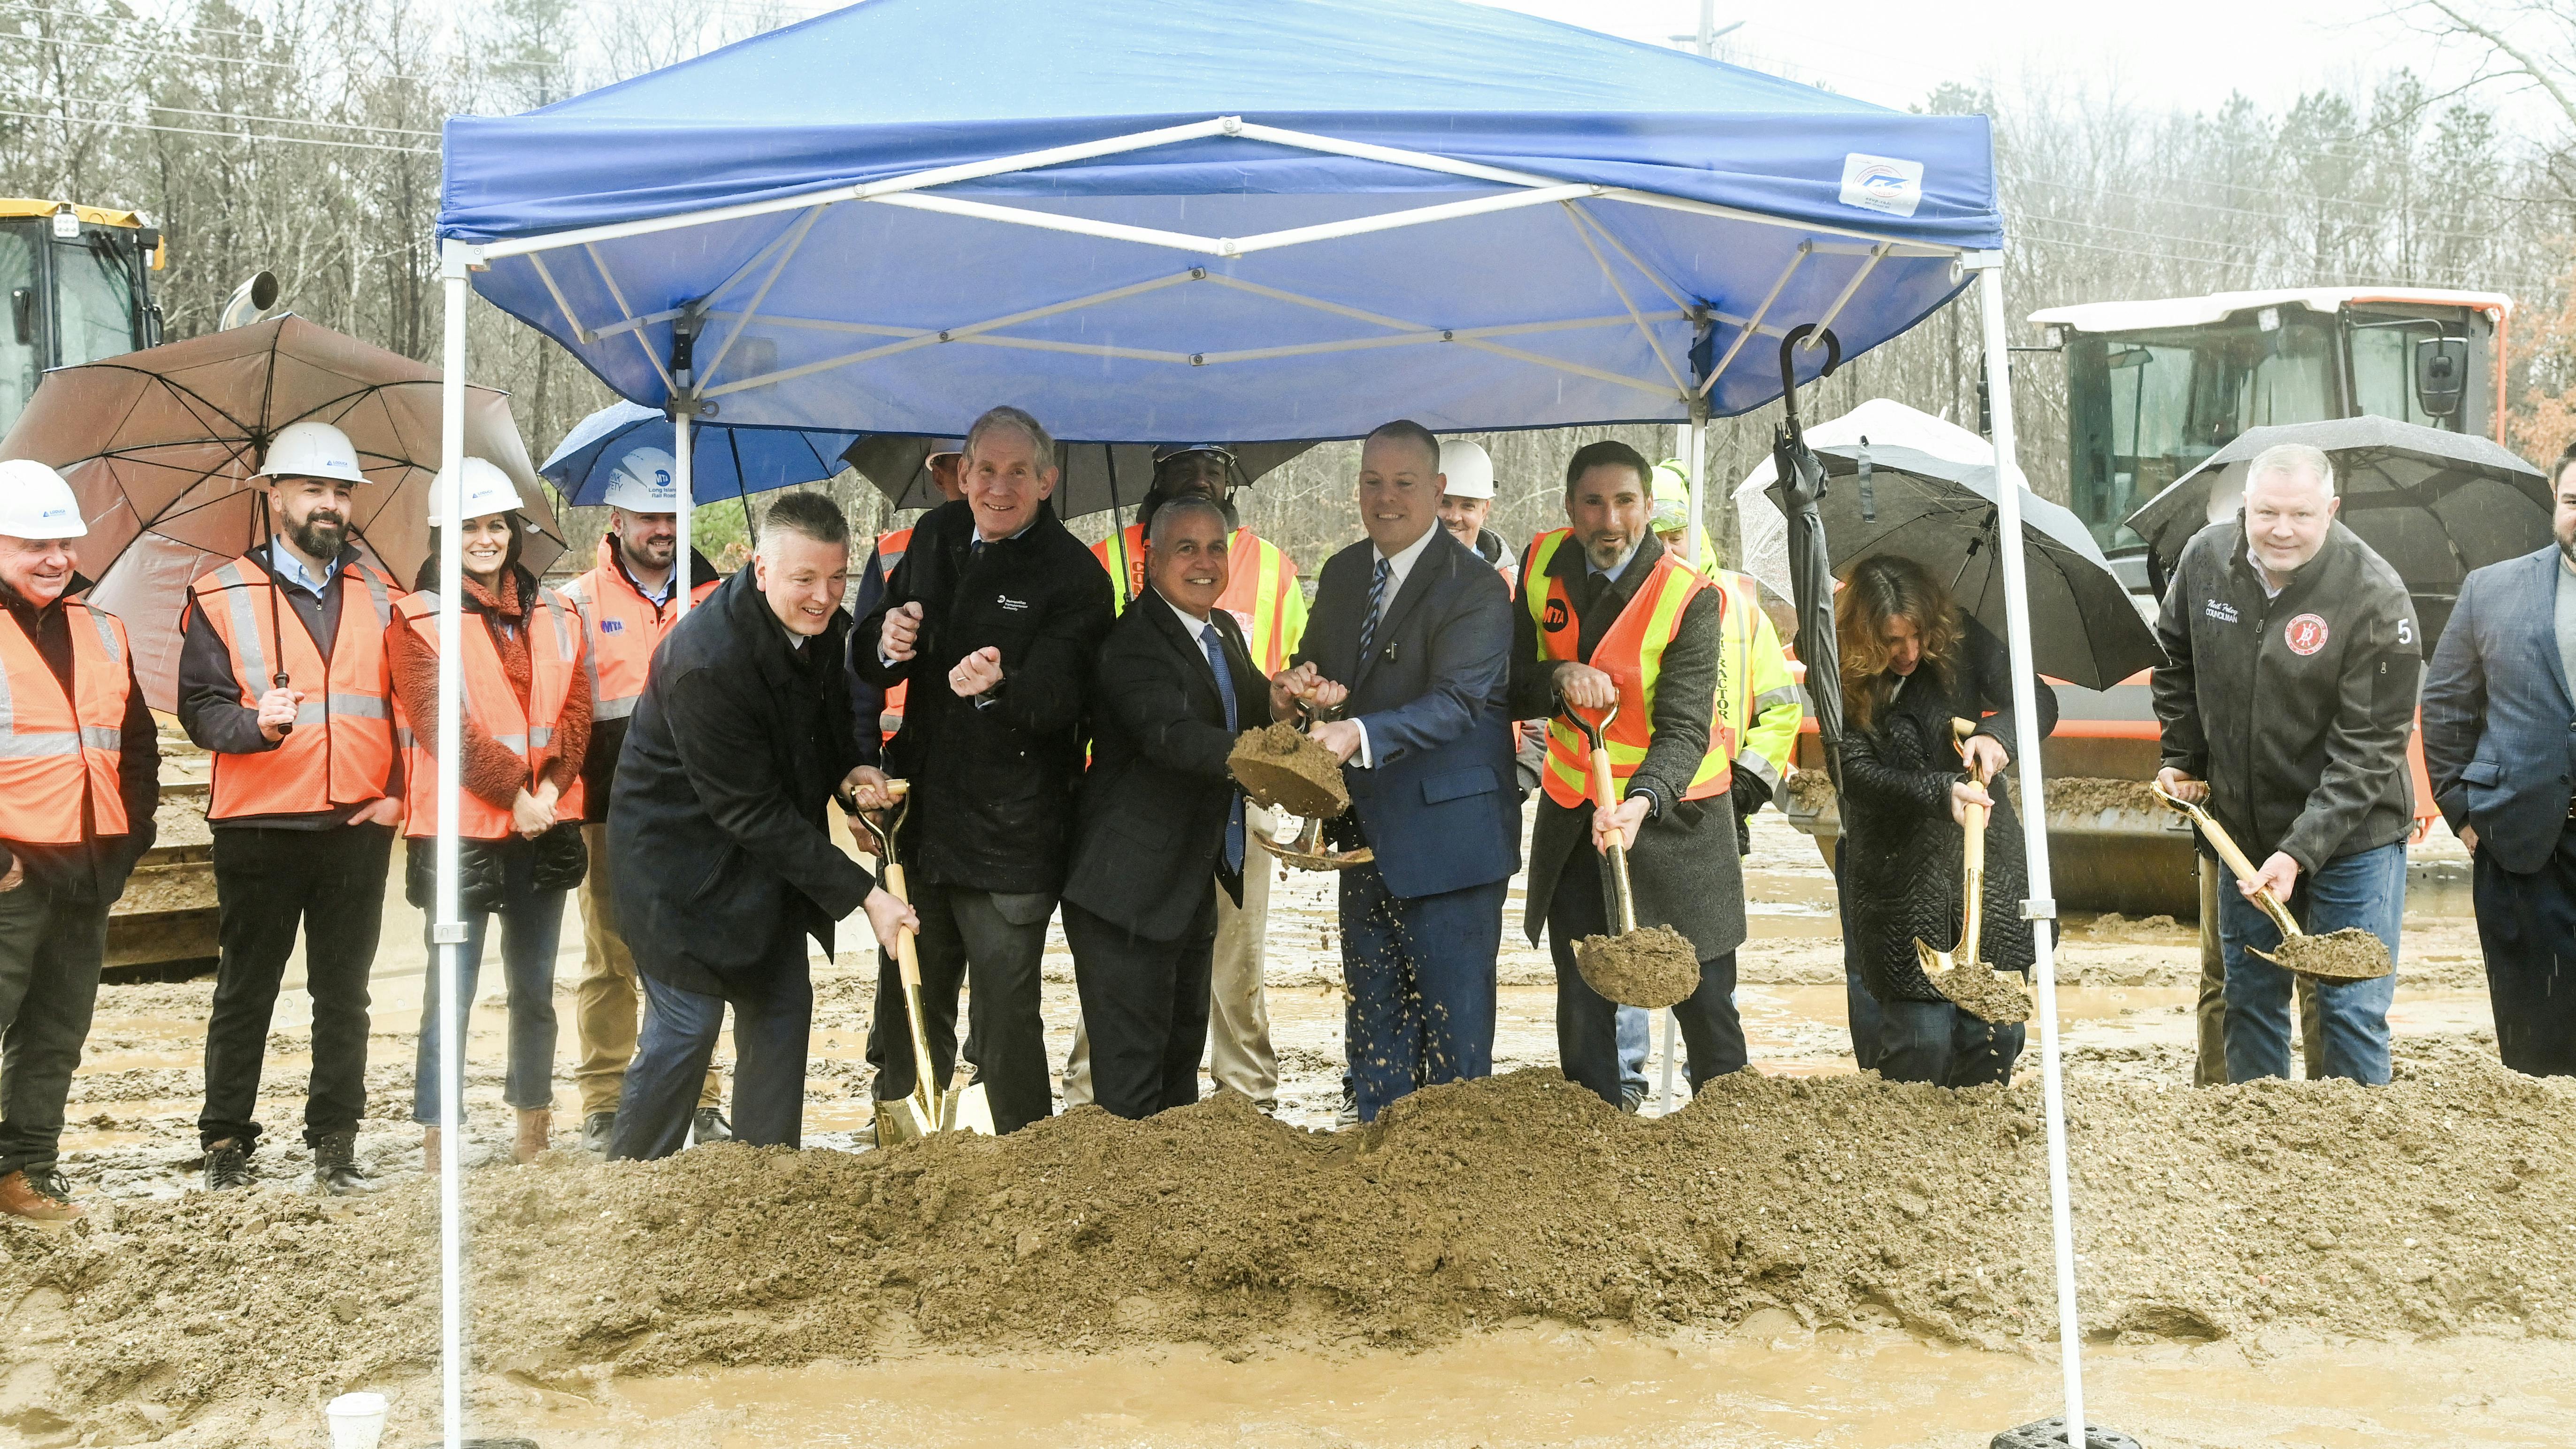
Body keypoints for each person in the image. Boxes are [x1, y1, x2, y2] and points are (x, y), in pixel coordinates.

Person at [606, 491, 915, 1159]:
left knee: (781, 1013)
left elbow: (824, 724)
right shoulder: (706, 661)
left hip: (766, 872)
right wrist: (867, 896)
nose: (825, 596)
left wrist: (852, 772)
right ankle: (625, 1188)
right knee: (687, 1029)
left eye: (837, 577)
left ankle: (767, 1183)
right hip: (678, 873)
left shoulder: (823, 625)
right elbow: (750, 810)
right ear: (760, 567)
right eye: (805, 577)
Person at [852, 406, 1115, 1134]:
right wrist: (888, 638)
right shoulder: (934, 536)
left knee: (1004, 1022)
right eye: (985, 470)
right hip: (921, 824)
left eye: (1018, 472)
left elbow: (1066, 703)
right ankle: (904, 1158)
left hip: (1012, 840)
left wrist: (1002, 688)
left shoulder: (1076, 576)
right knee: (906, 1002)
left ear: (1047, 479)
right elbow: (864, 647)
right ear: (962, 474)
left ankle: (1023, 1168)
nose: (1000, 487)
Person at [178, 420, 405, 1194]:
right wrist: (255, 724)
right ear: (274, 496)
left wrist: (398, 794)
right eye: (313, 488)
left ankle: (335, 1140)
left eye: (341, 491)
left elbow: (407, 705)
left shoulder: (382, 593)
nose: (330, 505)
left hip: (354, 824)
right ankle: (225, 1143)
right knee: (248, 988)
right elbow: (200, 707)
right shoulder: (220, 593)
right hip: (259, 822)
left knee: (345, 995)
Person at [2153, 442, 2420, 1086]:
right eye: (2266, 511)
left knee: (2345, 1005)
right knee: (2247, 997)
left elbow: (2371, 747)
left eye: (2300, 514)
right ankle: (2258, 1153)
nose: (2281, 529)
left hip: (2353, 837)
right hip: (2244, 829)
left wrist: (2299, 852)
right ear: (2245, 506)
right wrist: (2184, 757)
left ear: (2331, 509)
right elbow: (2174, 661)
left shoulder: (2375, 595)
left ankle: (2351, 1156)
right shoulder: (2205, 560)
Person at [1275, 419, 1517, 1123]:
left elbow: (1457, 703)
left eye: (1404, 483)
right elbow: (1327, 665)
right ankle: (1379, 1184)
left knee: (1454, 1049)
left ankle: (1456, 1198)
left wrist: (1357, 731)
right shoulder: (1349, 571)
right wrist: (1309, 686)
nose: (1386, 498)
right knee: (1376, 1032)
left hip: (1453, 845)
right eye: (1372, 482)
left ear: (1438, 490)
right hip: (1364, 840)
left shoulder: (1475, 588)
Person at [1508, 441, 1750, 1108]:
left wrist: (1642, 801)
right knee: (1584, 989)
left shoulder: (1690, 596)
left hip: (1676, 818)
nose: (1608, 520)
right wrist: (1556, 677)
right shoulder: (1539, 566)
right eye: (1593, 502)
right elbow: (1504, 684)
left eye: (1624, 502)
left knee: (1702, 994)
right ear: (1570, 507)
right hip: (1574, 811)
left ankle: (1725, 1130)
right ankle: (1595, 1134)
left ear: (1648, 507)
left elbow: (1683, 728)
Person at [1071, 442, 1307, 1113]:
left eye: (1215, 548)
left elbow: (1250, 701)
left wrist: (1285, 699)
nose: (1204, 562)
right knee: (1131, 1089)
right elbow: (1171, 736)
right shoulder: (1130, 642)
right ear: (1150, 559)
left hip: (1190, 885)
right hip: (1127, 896)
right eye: (1186, 549)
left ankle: (1167, 1211)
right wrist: (1271, 761)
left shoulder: (1219, 631)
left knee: (1177, 1076)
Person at [388, 458, 591, 1167]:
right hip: (462, 835)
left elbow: (575, 711)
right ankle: (439, 1136)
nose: (486, 538)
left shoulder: (561, 610)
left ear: (516, 530)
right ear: (445, 535)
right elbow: (442, 724)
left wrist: (550, 793)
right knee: (452, 991)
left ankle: (532, 1131)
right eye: (470, 526)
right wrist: (518, 796)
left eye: (496, 524)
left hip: (544, 826)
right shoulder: (416, 620)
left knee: (534, 990)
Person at [0, 461, 157, 1220]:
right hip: (10, 874)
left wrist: (126, 846)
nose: (57, 558)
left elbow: (137, 750)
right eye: (35, 543)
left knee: (57, 1030)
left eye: (64, 542)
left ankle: (25, 1168)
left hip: (87, 868)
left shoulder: (102, 628)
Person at [556, 448, 723, 1155]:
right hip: (611, 811)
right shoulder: (576, 601)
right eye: (650, 515)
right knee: (611, 957)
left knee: (705, 954)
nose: (663, 528)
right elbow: (560, 711)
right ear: (616, 517)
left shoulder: (719, 595)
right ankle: (603, 1097)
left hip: (704, 811)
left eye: (672, 515)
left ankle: (706, 1098)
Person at [1836, 554, 2055, 1086]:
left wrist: (1996, 735)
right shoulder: (1837, 667)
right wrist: (1941, 792)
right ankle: (1907, 1147)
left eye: (1915, 636)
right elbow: (1855, 772)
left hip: (1984, 856)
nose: (1907, 652)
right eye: (1890, 641)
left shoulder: (1962, 639)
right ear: (1865, 637)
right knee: (1921, 1040)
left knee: (1998, 1035)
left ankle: (1974, 1150)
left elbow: (2038, 702)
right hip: (1895, 870)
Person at [2421, 445, 2576, 1077]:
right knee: (2535, 1046)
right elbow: (2446, 703)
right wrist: (2461, 812)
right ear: (2555, 505)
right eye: (2573, 503)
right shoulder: (2493, 587)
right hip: (2520, 847)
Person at [849, 440, 965, 757]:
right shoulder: (900, 551)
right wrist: (865, 760)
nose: (981, 481)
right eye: (966, 467)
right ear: (939, 477)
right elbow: (862, 675)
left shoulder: (1040, 556)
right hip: (915, 756)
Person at [1437, 439, 1517, 583]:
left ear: (1484, 511)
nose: (1454, 517)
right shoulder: (1392, 574)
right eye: (1444, 502)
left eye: (1468, 506)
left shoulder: (1513, 583)